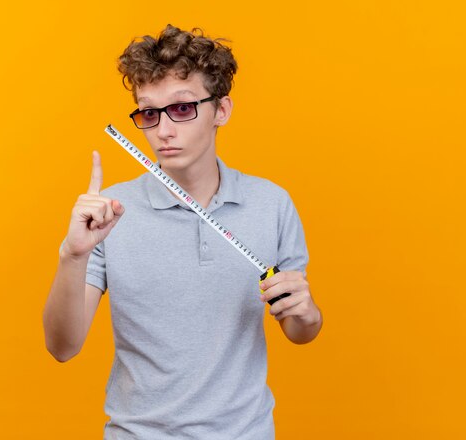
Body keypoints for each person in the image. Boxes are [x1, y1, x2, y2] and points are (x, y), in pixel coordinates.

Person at [43, 24, 322, 439]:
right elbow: (62, 347)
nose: (164, 130)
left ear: (221, 111)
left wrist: (308, 313)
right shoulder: (109, 214)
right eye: (149, 112)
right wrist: (73, 254)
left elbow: (300, 331)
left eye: (182, 108)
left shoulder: (271, 204)